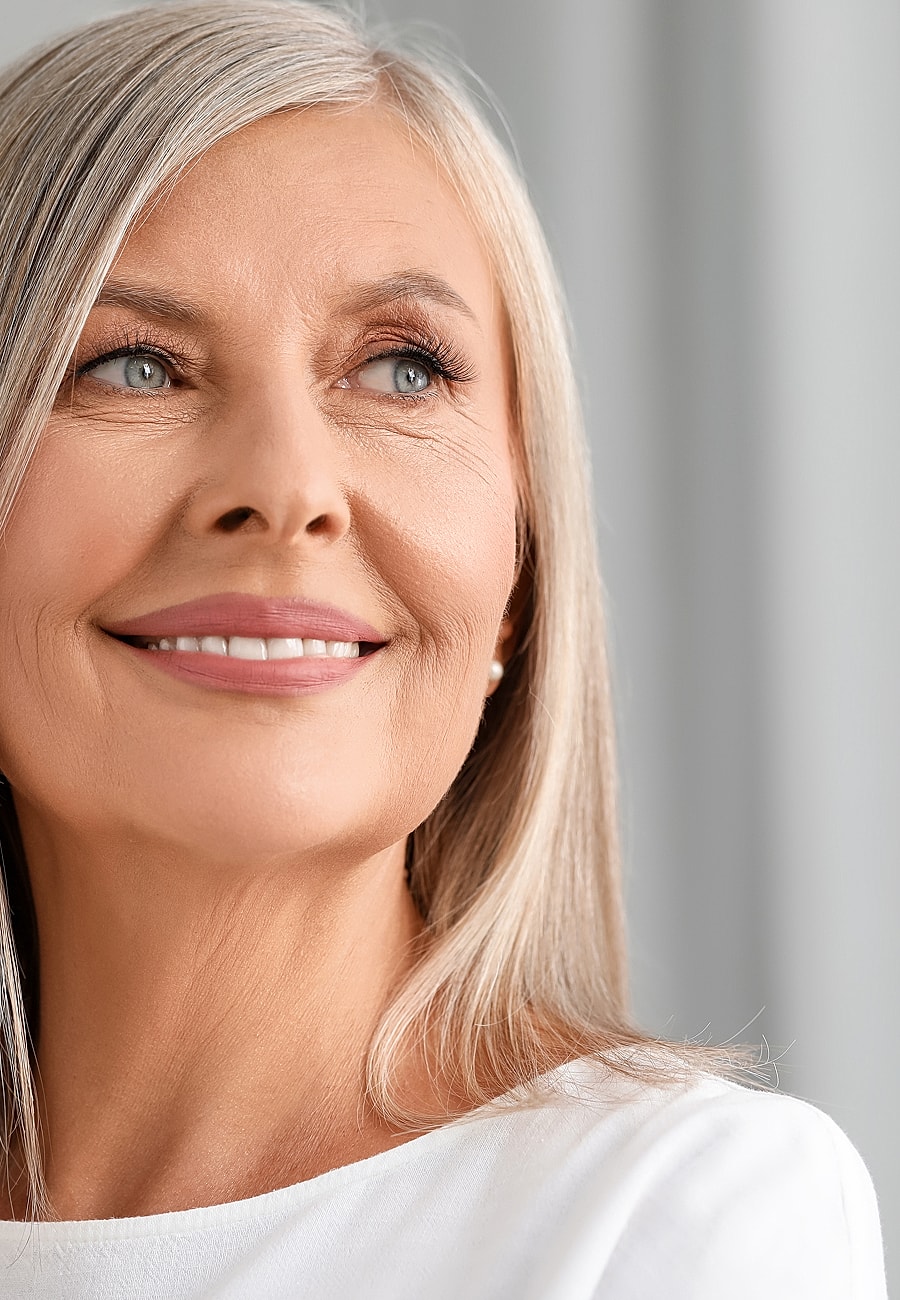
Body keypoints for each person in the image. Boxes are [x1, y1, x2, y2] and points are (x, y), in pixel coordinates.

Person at [0, 2, 886, 1295]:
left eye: (403, 371)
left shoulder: (680, 1226)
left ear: (519, 575)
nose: (287, 488)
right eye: (134, 365)